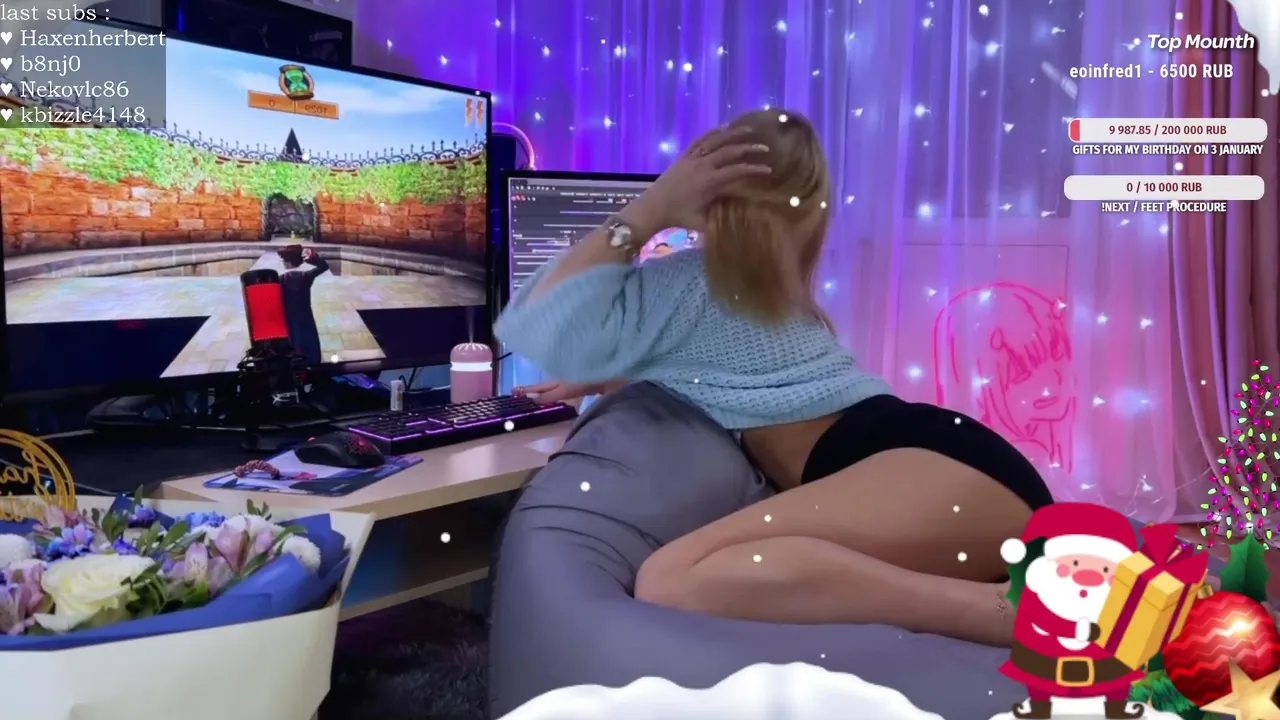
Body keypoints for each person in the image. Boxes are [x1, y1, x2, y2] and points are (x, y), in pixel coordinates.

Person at [497, 109, 1054, 646]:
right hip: (960, 468)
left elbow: (533, 322)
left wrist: (647, 211)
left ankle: (997, 613)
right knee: (683, 576)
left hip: (934, 472)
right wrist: (601, 376)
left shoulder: (691, 282)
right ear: (812, 217)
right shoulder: (772, 296)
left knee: (671, 578)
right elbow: (707, 367)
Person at [998, 503, 1144, 719]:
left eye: (1105, 568)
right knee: (1039, 682)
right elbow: (1039, 617)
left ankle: (1115, 708)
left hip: (1107, 666)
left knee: (1116, 682)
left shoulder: (1120, 598)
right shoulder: (1041, 589)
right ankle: (1040, 707)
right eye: (1075, 562)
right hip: (1044, 663)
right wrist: (1074, 630)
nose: (1089, 575)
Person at [277, 245, 329, 365]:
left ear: (288, 262)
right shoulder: (306, 276)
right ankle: (312, 360)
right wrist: (311, 259)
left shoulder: (281, 279)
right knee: (308, 336)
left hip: (289, 316)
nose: (283, 262)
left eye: (284, 260)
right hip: (305, 314)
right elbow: (323, 266)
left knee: (293, 338)